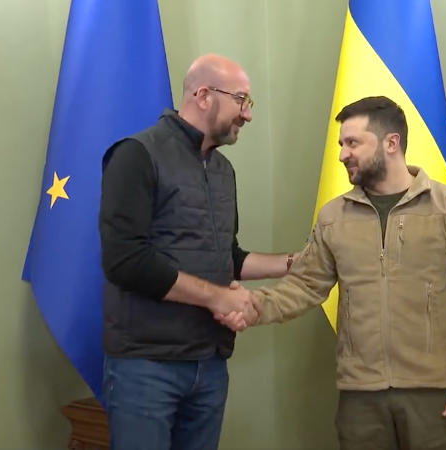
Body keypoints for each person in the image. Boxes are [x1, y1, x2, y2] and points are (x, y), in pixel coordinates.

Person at [220, 96, 446, 450]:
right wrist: (252, 306)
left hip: (434, 396)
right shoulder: (333, 216)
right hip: (360, 399)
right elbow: (305, 285)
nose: (342, 154)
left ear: (391, 143)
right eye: (341, 144)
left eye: (352, 142)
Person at [98, 54, 300, 450]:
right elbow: (126, 261)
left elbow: (229, 256)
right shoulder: (136, 154)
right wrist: (219, 297)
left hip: (209, 365)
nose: (248, 115)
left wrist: (296, 263)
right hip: (146, 366)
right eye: (241, 100)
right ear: (203, 95)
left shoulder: (224, 171)